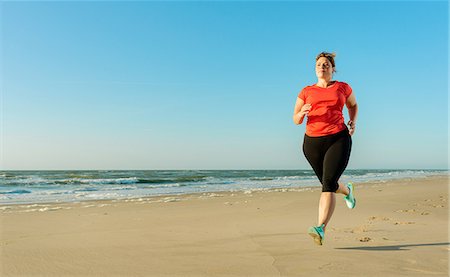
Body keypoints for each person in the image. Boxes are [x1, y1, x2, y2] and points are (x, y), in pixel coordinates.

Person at [292, 52, 358, 246]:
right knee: (328, 183)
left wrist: (353, 121)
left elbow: (353, 105)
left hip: (338, 138)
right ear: (315, 69)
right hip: (312, 143)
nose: (323, 67)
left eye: (326, 64)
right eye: (319, 64)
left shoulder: (342, 87)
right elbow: (295, 120)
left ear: (332, 68)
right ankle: (348, 191)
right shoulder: (306, 91)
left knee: (328, 184)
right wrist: (302, 113)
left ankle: (320, 228)